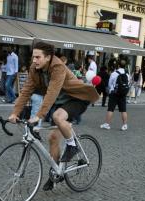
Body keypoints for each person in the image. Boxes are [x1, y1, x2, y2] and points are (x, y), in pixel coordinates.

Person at [8, 41, 99, 191]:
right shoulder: (34, 68)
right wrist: (15, 112)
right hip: (59, 103)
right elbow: (26, 91)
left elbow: (52, 92)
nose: (34, 60)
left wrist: (39, 116)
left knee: (58, 117)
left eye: (38, 57)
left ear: (48, 57)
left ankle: (72, 146)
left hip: (75, 98)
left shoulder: (58, 67)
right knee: (53, 138)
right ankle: (56, 172)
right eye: (33, 57)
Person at [101, 60, 129, 131]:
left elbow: (110, 84)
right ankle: (124, 125)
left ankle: (107, 124)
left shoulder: (114, 73)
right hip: (123, 93)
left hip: (114, 93)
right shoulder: (127, 74)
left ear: (118, 65)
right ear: (125, 66)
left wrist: (111, 89)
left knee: (110, 109)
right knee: (123, 110)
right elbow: (128, 83)